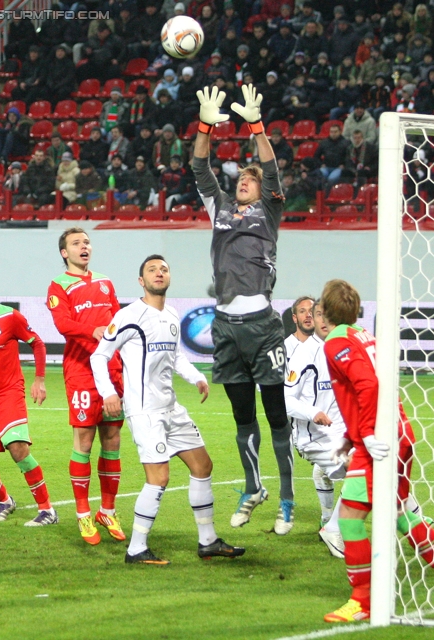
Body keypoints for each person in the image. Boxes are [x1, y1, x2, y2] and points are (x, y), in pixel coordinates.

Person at [90, 254, 245, 564]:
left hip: (172, 408)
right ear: (141, 281)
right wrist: (108, 392)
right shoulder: (129, 315)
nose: (158, 273)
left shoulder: (172, 316)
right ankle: (136, 549)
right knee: (158, 478)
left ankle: (208, 541)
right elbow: (99, 356)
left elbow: (175, 358)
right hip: (145, 411)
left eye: (163, 269)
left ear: (169, 277)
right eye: (151, 269)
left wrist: (197, 377)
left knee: (202, 466)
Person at [193, 84, 294, 533]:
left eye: (249, 180)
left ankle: (287, 498)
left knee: (275, 416)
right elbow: (199, 166)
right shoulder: (219, 209)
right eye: (241, 180)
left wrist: (256, 126)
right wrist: (205, 125)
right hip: (225, 328)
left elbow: (271, 170)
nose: (243, 183)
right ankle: (254, 488)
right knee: (241, 416)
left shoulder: (268, 213)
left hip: (262, 326)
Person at [321, 279, 434, 623]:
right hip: (399, 431)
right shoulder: (365, 336)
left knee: (349, 519)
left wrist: (366, 434)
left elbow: (367, 384)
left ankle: (362, 600)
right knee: (397, 510)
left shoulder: (336, 341)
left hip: (379, 441)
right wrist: (352, 436)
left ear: (324, 313)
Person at [47, 228, 125, 545]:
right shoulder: (58, 285)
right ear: (65, 252)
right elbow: (63, 324)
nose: (84, 246)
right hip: (81, 370)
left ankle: (107, 510)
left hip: (113, 368)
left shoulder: (105, 281)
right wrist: (93, 330)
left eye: (87, 242)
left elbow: (120, 317)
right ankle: (83, 515)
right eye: (77, 243)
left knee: (113, 436)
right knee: (83, 438)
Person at [0, 267, 58, 526]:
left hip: (7, 393)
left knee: (18, 448)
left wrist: (40, 380)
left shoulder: (9, 316)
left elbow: (38, 343)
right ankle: (5, 500)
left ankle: (47, 511)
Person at [284, 301, 346, 556]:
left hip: (339, 434)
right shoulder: (297, 352)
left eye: (318, 313)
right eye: (308, 313)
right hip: (314, 437)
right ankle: (334, 527)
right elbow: (282, 397)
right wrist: (313, 413)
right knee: (366, 474)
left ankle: (327, 520)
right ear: (295, 318)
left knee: (325, 473)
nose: (313, 317)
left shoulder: (332, 350)